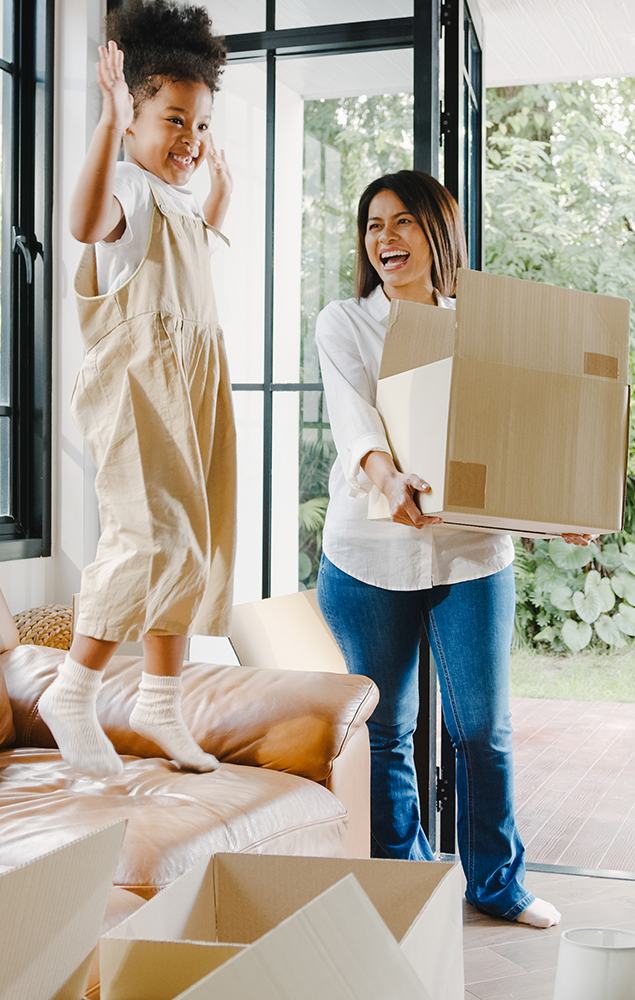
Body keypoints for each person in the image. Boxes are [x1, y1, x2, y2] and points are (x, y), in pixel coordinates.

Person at [315, 170, 590, 927]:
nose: (385, 238)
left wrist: (555, 509)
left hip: (470, 555)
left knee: (483, 732)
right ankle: (405, 882)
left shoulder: (480, 328)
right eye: (374, 224)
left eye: (403, 222)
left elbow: (517, 433)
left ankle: (497, 885)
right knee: (385, 732)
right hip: (368, 556)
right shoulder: (344, 321)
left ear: (437, 233)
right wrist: (386, 476)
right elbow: (353, 417)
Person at [39, 0, 235, 778]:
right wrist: (107, 126)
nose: (190, 137)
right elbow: (87, 223)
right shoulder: (126, 182)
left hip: (188, 386)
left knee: (189, 542)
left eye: (202, 123)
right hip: (137, 387)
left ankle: (161, 701)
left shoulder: (177, 200)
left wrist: (218, 194)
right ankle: (73, 689)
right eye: (173, 119)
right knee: (146, 536)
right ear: (134, 120)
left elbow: (191, 256)